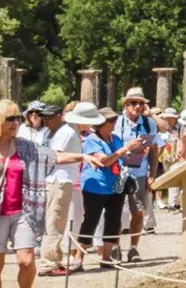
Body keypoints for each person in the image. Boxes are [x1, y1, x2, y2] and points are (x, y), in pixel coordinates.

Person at [1, 98, 51, 288]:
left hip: (23, 211)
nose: (16, 123)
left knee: (26, 260)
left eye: (18, 118)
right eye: (10, 118)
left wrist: (85, 158)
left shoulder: (24, 146)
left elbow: (53, 156)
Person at [75, 104, 126, 267]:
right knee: (91, 220)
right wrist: (124, 150)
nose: (114, 122)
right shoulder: (91, 140)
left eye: (115, 119)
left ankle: (106, 258)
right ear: (101, 122)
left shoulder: (116, 139)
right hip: (95, 186)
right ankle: (78, 258)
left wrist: (137, 152)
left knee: (113, 221)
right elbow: (103, 161)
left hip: (116, 184)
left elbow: (124, 160)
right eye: (111, 120)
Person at [39, 101, 85, 275]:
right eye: (44, 118)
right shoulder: (64, 132)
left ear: (59, 116)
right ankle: (49, 263)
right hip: (58, 180)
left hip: (58, 180)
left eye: (50, 117)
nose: (46, 121)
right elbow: (55, 157)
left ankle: (53, 259)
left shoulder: (61, 131)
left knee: (56, 221)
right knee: (55, 222)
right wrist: (82, 157)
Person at [114, 87, 159, 262]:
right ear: (126, 104)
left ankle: (133, 247)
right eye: (134, 103)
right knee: (115, 211)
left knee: (138, 211)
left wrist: (152, 174)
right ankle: (115, 246)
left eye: (141, 103)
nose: (138, 106)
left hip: (139, 172)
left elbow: (154, 150)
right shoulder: (116, 122)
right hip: (118, 173)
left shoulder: (149, 124)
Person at [155, 108, 182, 210]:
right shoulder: (162, 128)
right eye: (167, 118)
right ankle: (164, 201)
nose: (169, 120)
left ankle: (172, 203)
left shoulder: (180, 127)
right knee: (166, 179)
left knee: (173, 177)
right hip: (164, 158)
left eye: (171, 118)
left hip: (176, 157)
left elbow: (182, 140)